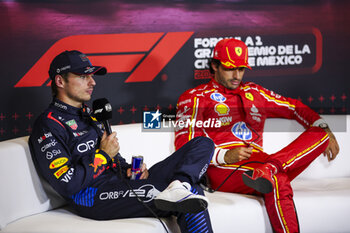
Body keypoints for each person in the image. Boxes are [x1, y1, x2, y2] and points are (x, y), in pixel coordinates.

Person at [29, 50, 215, 233]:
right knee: (191, 195)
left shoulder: (90, 115)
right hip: (93, 197)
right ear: (60, 81)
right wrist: (102, 155)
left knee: (203, 144)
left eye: (92, 76)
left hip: (120, 183)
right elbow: (67, 184)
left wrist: (128, 170)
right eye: (83, 76)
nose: (92, 82)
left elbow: (114, 159)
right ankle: (180, 189)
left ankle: (179, 184)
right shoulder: (47, 125)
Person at [175, 38, 340, 233]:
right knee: (277, 181)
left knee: (321, 133)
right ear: (214, 65)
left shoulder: (255, 92)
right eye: (230, 69)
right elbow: (185, 145)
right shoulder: (195, 97)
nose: (237, 75)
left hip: (262, 163)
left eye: (242, 69)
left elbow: (294, 107)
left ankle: (270, 169)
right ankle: (269, 171)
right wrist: (224, 155)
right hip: (222, 167)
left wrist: (324, 127)